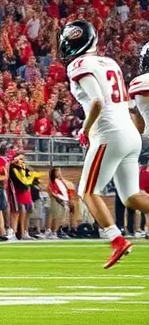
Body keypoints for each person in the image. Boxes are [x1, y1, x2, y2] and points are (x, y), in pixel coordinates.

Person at [62, 21, 147, 268]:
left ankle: (116, 240)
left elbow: (98, 101)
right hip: (129, 132)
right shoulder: (110, 62)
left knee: (87, 191)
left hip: (109, 132)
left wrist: (85, 130)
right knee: (132, 196)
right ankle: (117, 238)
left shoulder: (78, 65)